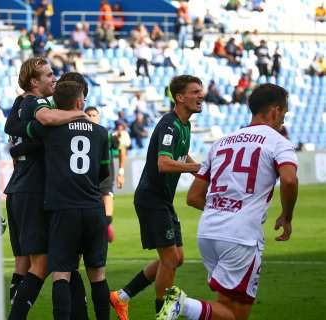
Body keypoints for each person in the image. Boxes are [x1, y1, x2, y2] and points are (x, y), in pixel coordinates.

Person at [158, 83, 298, 320]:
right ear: (274, 110)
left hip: (208, 233)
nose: (283, 120)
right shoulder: (278, 142)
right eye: (283, 113)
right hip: (240, 236)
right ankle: (182, 304)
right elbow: (289, 180)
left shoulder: (222, 142)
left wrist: (221, 208)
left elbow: (193, 197)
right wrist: (287, 215)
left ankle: (184, 305)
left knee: (230, 309)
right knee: (234, 313)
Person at [109, 75, 204, 319]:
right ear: (180, 97)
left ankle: (122, 296)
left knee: (176, 258)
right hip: (151, 199)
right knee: (170, 259)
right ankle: (163, 314)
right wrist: (196, 169)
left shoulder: (185, 125)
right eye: (195, 92)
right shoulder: (169, 125)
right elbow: (163, 163)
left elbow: (182, 155)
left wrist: (203, 171)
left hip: (162, 200)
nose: (201, 95)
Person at [3, 61, 86, 319]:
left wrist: (21, 144)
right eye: (49, 75)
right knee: (49, 261)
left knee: (29, 262)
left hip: (20, 188)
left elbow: (12, 132)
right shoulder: (37, 103)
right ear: (34, 82)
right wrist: (81, 116)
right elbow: (46, 119)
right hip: (33, 190)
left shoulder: (20, 103)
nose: (54, 78)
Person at [28, 81, 111, 320]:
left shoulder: (50, 129)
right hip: (93, 208)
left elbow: (19, 132)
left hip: (63, 209)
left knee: (61, 273)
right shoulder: (101, 132)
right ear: (79, 102)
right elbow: (103, 173)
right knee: (98, 275)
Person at [85, 106, 126, 242]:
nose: (91, 118)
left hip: (105, 182)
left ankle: (106, 227)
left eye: (94, 115)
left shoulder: (106, 135)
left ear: (99, 117)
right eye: (89, 115)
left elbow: (121, 149)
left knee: (107, 219)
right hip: (87, 184)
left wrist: (121, 172)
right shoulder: (80, 136)